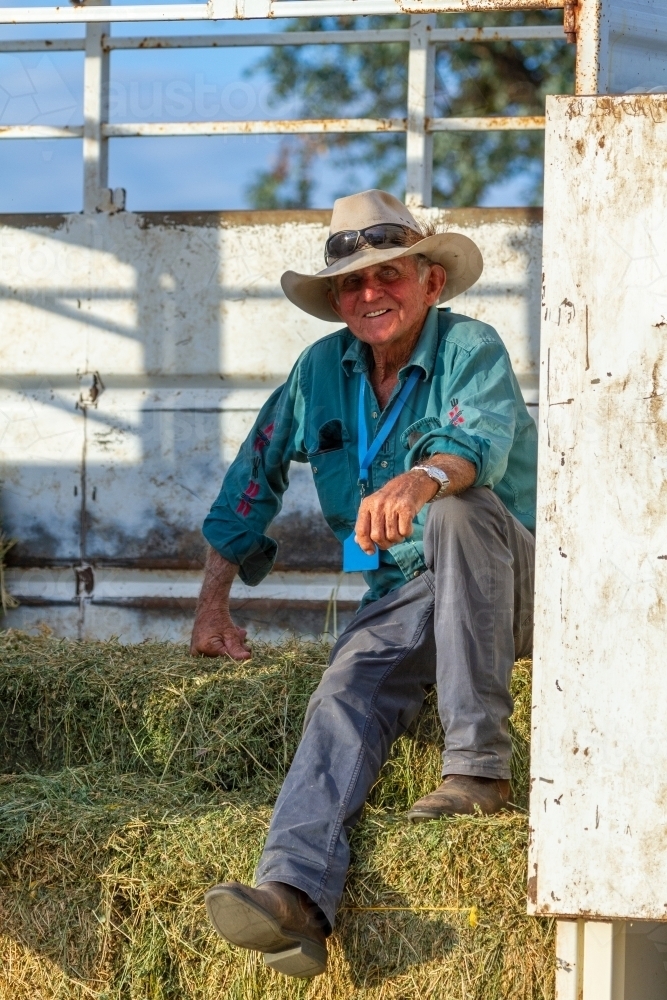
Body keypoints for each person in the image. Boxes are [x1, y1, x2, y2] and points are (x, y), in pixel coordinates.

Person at [192, 189, 537, 979]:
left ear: (430, 284)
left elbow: (471, 446)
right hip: (406, 595)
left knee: (456, 515)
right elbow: (255, 473)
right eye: (351, 282)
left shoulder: (470, 347)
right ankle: (294, 896)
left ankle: (478, 767)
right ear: (335, 299)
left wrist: (421, 479)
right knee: (344, 680)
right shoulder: (320, 371)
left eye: (388, 274)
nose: (369, 293)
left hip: (511, 585)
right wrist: (213, 603)